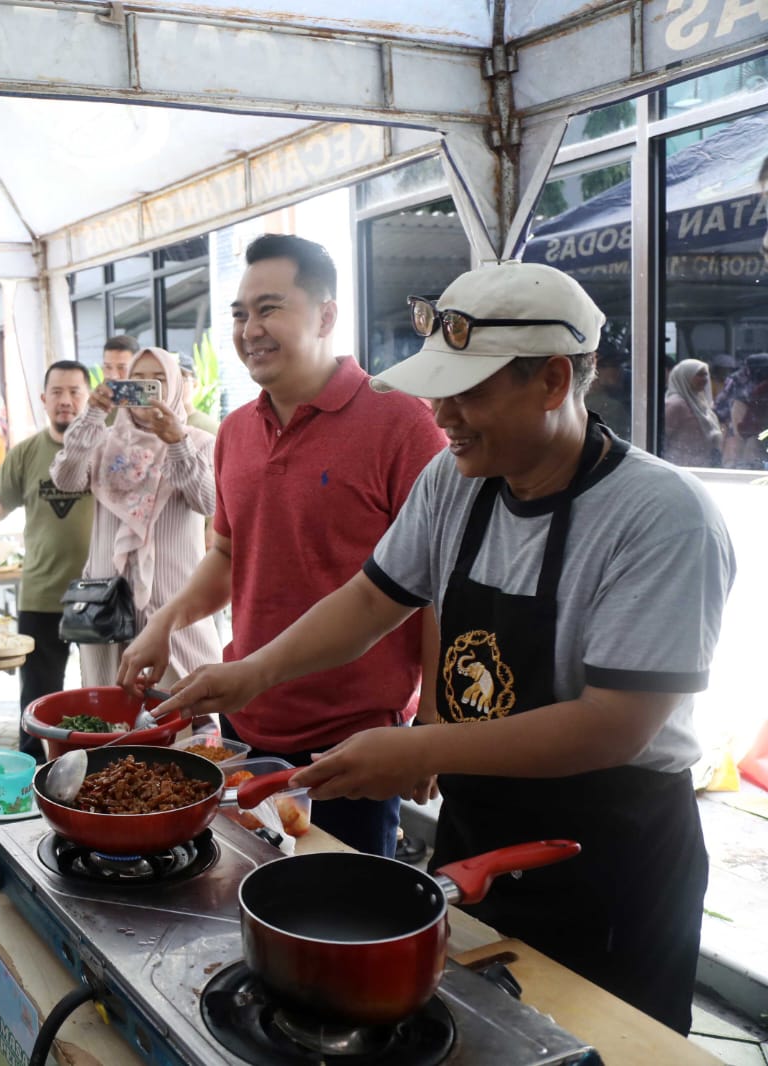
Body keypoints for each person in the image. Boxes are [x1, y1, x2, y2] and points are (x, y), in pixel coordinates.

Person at [159, 260, 732, 1036]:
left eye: (468, 392)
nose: (442, 412)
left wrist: (420, 743)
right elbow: (371, 600)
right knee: (476, 1030)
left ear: (555, 380)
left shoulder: (661, 516)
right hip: (478, 824)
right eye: (438, 389)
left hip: (609, 848)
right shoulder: (455, 480)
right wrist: (250, 674)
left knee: (600, 1044)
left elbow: (614, 724)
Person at [117, 235, 445, 858]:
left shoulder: (403, 423)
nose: (249, 330)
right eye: (240, 314)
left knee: (343, 918)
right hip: (245, 724)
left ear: (326, 314)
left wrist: (430, 720)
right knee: (243, 889)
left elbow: (434, 588)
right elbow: (227, 555)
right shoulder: (236, 431)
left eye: (269, 308)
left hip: (352, 744)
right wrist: (167, 620)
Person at [51, 347, 220, 687]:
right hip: (106, 604)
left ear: (172, 387)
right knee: (110, 712)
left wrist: (176, 442)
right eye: (137, 381)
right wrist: (93, 414)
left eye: (157, 381)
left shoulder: (200, 443)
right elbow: (66, 480)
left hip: (174, 604)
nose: (146, 389)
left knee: (188, 708)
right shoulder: (103, 441)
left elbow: (208, 502)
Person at [0, 361, 94, 757]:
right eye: (57, 392)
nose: (65, 401)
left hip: (101, 597)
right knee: (37, 701)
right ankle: (35, 779)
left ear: (88, 399)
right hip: (42, 594)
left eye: (74, 392)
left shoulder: (108, 450)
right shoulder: (26, 453)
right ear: (43, 398)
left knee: (100, 695)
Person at [661, 358, 723, 468]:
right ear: (685, 377)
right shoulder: (676, 404)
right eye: (699, 375)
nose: (704, 379)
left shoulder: (700, 403)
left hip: (702, 467)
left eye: (705, 375)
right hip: (680, 468)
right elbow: (663, 439)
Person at [177, 350, 219, 436]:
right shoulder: (147, 426)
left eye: (181, 378)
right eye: (164, 379)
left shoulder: (209, 428)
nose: (174, 385)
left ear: (195, 385)